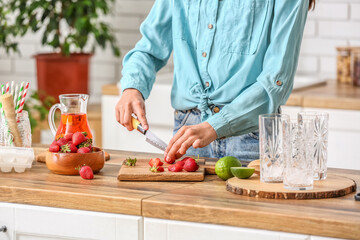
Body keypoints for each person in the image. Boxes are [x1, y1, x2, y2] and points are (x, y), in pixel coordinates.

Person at [115, 0, 315, 163]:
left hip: (250, 138)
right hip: (187, 134)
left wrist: (216, 126)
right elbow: (149, 47)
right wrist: (132, 88)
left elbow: (276, 80)